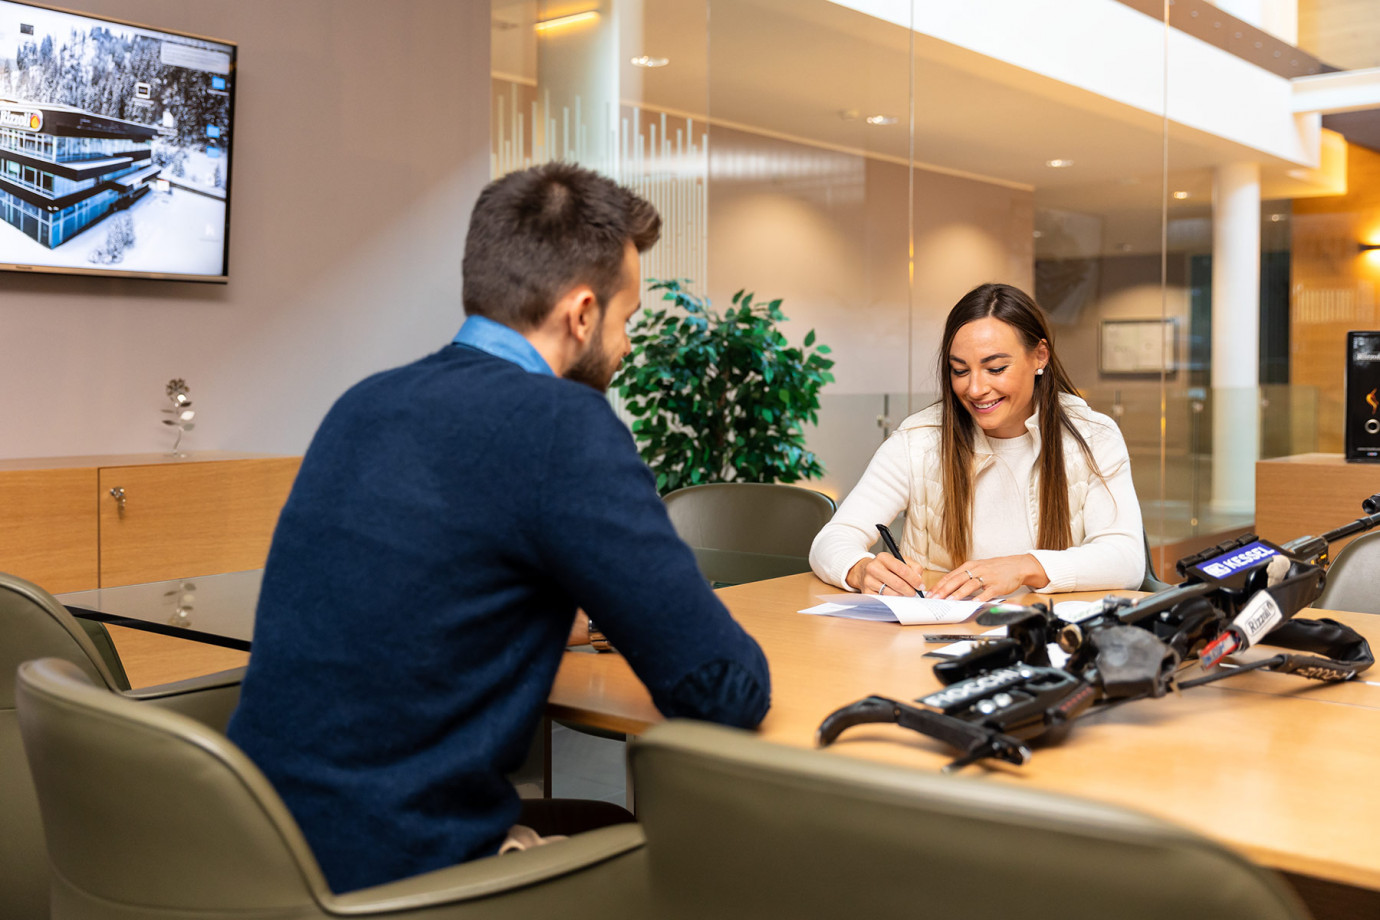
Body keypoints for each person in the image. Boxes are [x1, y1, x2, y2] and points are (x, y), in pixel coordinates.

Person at [227, 161, 771, 894]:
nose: (627, 344)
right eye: (626, 319)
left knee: (591, 817)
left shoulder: (366, 402)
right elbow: (720, 688)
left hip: (255, 848)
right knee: (706, 865)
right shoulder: (561, 424)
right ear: (582, 314)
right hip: (399, 877)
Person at [810, 282, 1143, 600]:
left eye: (995, 368)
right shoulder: (919, 440)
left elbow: (1125, 559)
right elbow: (832, 541)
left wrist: (1024, 567)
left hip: (1048, 639)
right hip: (938, 644)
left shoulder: (1093, 436)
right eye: (960, 370)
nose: (975, 389)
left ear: (1040, 357)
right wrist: (861, 569)